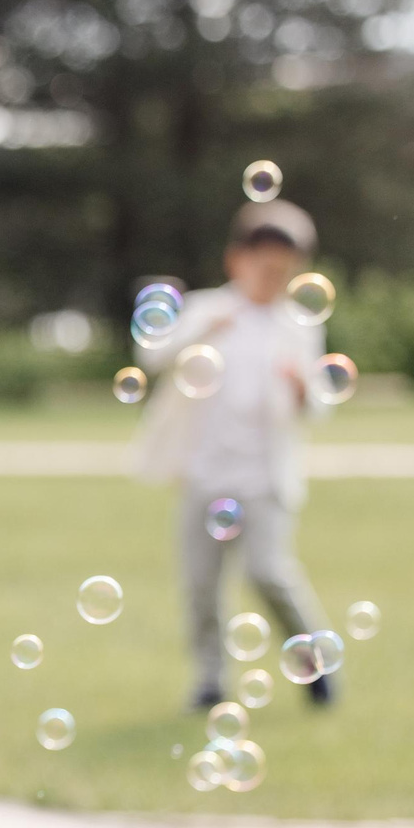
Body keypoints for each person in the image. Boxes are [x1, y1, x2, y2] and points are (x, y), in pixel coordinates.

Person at [134, 199, 336, 710]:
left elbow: (319, 403)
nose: (273, 280)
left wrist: (302, 391)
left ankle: (313, 660)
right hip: (204, 471)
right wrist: (205, 330)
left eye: (285, 272)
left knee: (269, 571)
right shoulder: (207, 310)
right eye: (265, 268)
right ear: (236, 261)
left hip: (265, 477)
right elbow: (151, 354)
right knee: (201, 585)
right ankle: (209, 680)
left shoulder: (298, 325)